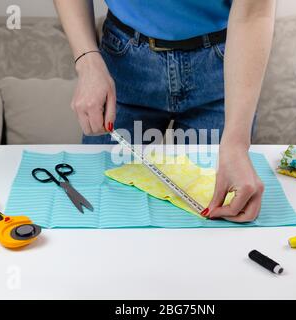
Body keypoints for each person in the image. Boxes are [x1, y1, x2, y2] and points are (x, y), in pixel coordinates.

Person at [54, 0, 276, 222]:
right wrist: (87, 59)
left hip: (224, 67)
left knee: (220, 217)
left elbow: (253, 14)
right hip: (123, 65)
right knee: (99, 209)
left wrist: (236, 145)